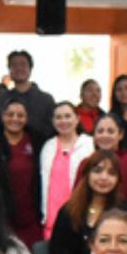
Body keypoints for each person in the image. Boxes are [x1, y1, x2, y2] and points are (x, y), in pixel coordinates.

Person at [46, 149, 127, 254]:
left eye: (111, 173)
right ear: (87, 174)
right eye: (97, 170)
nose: (103, 177)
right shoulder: (68, 212)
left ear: (118, 179)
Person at [0, 99, 44, 248]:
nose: (15, 119)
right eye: (10, 114)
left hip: (31, 215)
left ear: (26, 118)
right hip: (2, 215)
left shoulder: (37, 141)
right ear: (2, 116)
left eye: (20, 115)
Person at [39, 101, 94, 240]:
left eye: (67, 116)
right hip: (51, 219)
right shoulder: (48, 146)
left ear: (77, 118)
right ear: (53, 121)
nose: (63, 121)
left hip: (80, 215)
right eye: (58, 117)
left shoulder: (90, 145)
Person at [0, 51, 56, 139]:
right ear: (9, 70)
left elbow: (53, 130)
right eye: (14, 65)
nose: (19, 68)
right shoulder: (0, 100)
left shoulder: (46, 99)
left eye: (23, 64)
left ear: (30, 69)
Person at [90, 113, 127, 210]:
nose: (105, 135)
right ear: (94, 135)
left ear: (121, 134)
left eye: (110, 131)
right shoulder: (86, 163)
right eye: (100, 131)